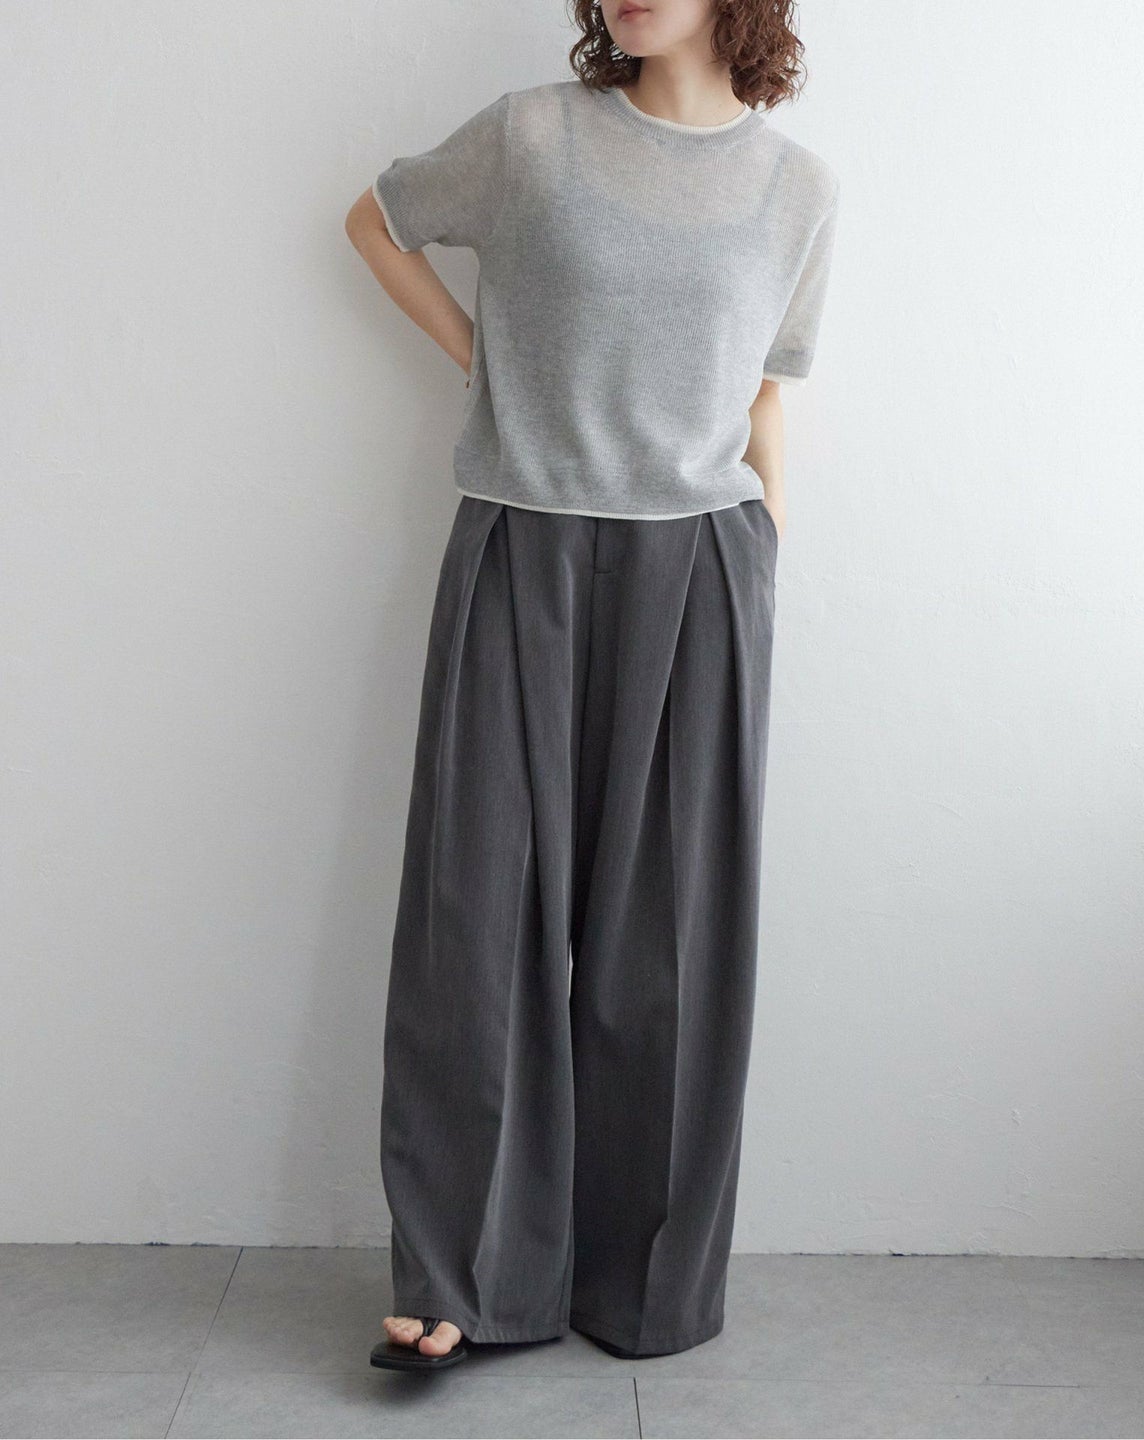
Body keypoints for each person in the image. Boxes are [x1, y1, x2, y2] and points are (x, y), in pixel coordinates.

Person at [344, 0, 839, 1370]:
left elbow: (768, 387)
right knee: (477, 911)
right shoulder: (530, 138)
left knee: (669, 934)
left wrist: (769, 542)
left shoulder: (798, 188)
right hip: (524, 538)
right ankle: (462, 1277)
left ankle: (643, 1282)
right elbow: (375, 222)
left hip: (704, 563)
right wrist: (486, 365)